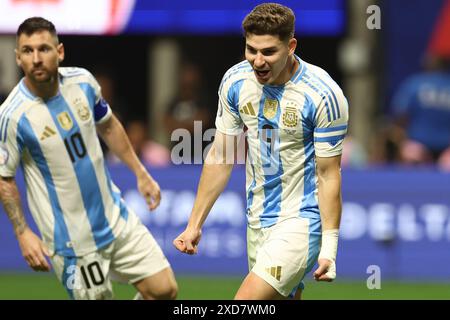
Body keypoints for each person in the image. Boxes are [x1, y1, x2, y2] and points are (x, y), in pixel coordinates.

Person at [173, 3, 349, 300]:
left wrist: (330, 248)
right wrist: (194, 225)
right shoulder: (235, 82)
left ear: (291, 46)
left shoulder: (322, 95)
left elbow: (328, 174)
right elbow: (221, 155)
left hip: (302, 220)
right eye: (251, 50)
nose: (257, 61)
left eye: (268, 52)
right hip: (257, 219)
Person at [0, 17, 177, 300]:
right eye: (28, 50)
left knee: (164, 290)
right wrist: (23, 233)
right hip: (71, 242)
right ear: (18, 57)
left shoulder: (83, 82)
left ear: (60, 52)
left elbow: (108, 125)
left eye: (43, 49)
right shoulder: (12, 116)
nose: (36, 58)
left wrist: (140, 172)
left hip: (115, 219)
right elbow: (4, 177)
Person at [383, 55, 450, 170]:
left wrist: (400, 139)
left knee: (410, 159)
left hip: (417, 148)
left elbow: (399, 116)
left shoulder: (414, 84)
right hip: (445, 151)